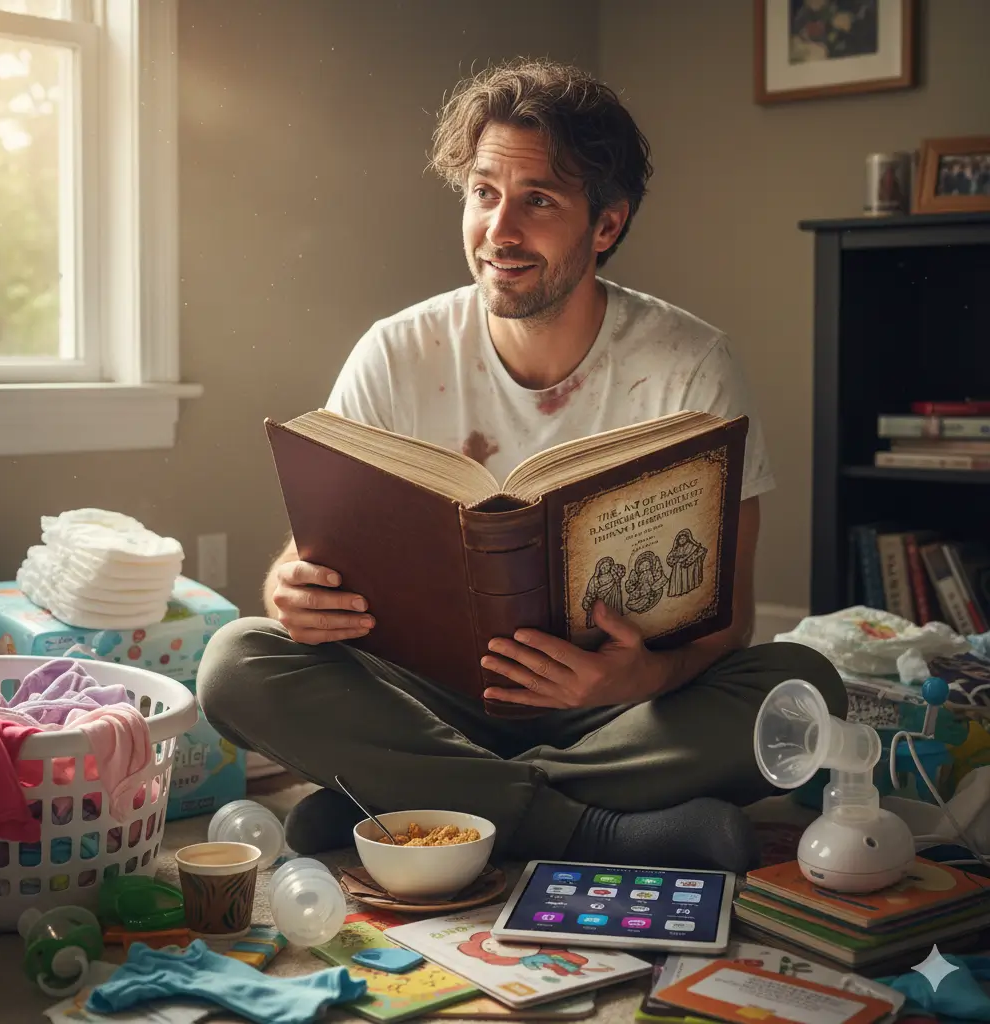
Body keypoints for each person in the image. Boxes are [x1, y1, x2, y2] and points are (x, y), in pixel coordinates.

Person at [197, 57, 846, 874]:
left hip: (613, 716)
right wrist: (288, 591)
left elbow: (730, 623)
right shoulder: (397, 351)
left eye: (538, 200)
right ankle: (589, 831)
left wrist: (636, 677)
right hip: (426, 701)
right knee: (235, 662)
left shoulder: (691, 364)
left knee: (807, 684)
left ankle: (408, 800)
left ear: (605, 225)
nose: (499, 232)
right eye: (483, 193)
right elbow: (318, 554)